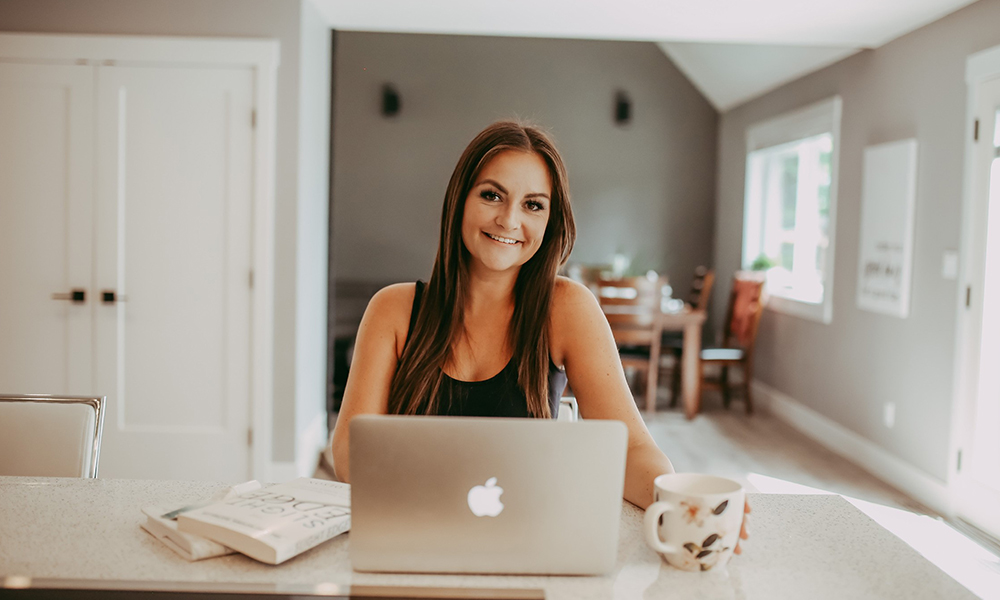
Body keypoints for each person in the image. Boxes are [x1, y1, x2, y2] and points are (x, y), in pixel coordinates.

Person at [330, 121, 748, 550]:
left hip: (524, 543)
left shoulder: (566, 308)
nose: (509, 220)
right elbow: (347, 451)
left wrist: (678, 499)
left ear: (551, 220)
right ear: (460, 201)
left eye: (533, 205)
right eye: (491, 195)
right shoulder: (393, 309)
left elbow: (632, 449)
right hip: (408, 539)